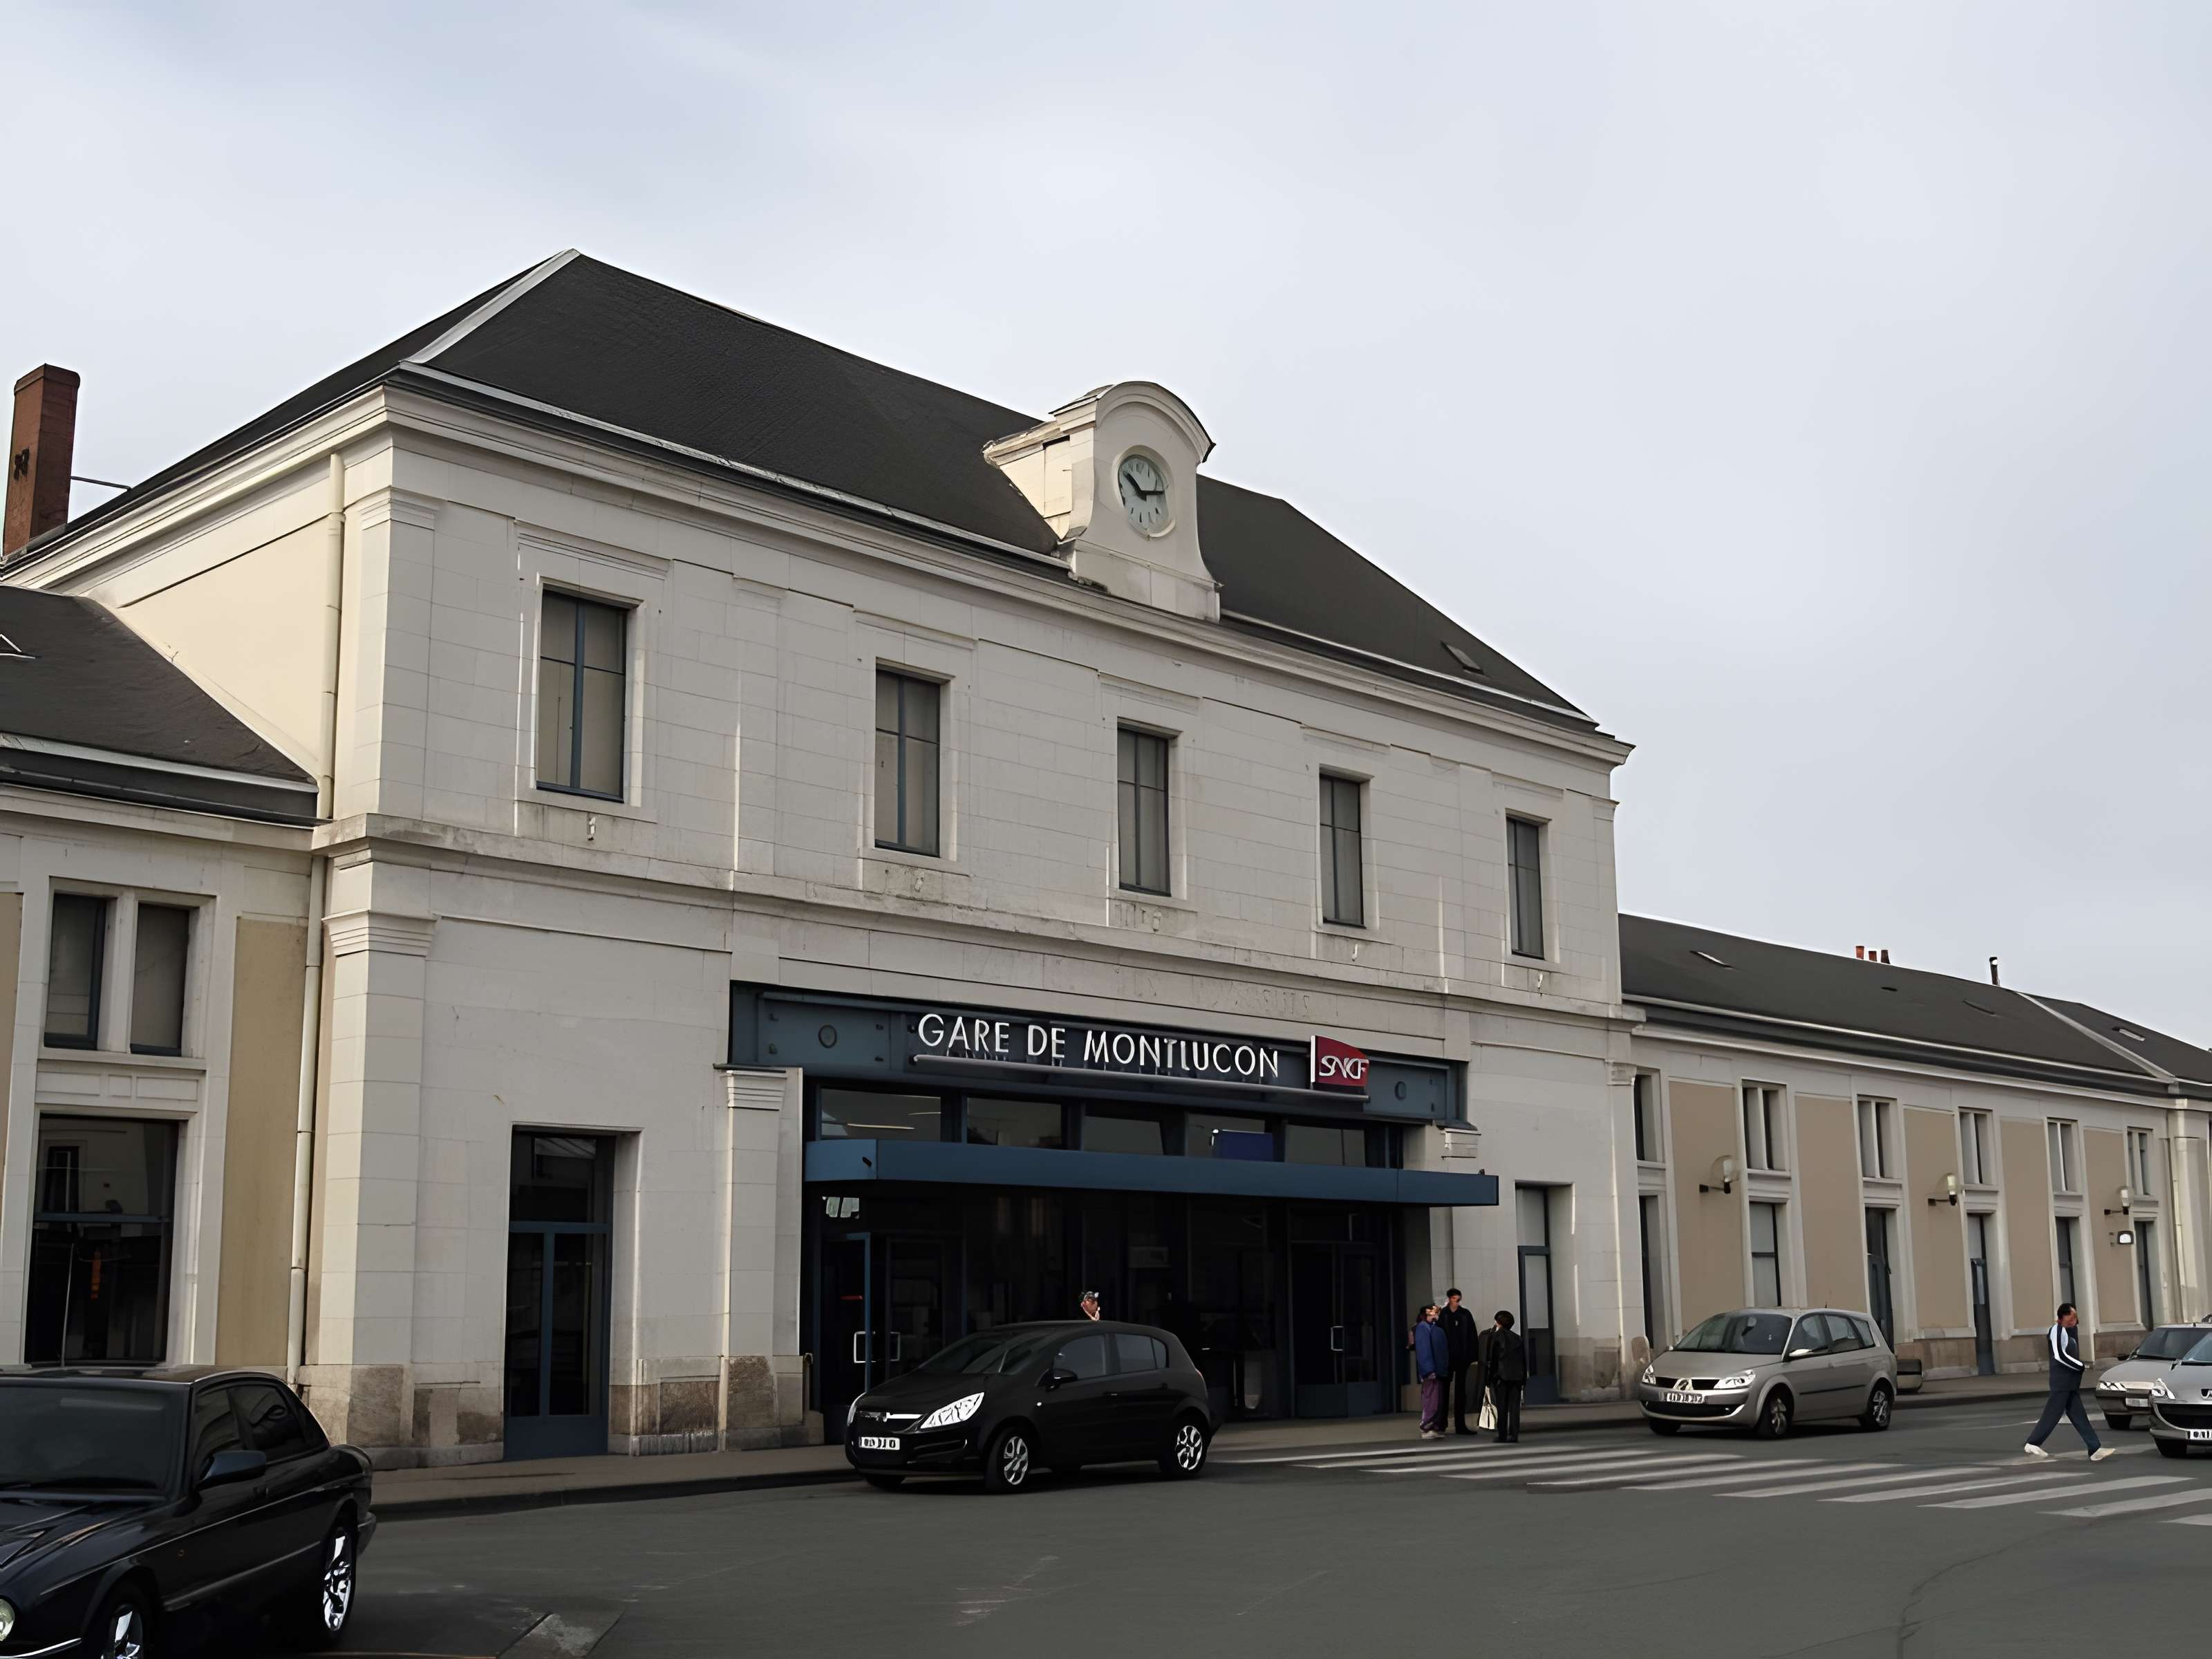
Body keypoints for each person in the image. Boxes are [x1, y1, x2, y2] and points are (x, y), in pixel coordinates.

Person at [2025, 1302, 2116, 1461]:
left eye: (2075, 1316)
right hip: (2062, 1381)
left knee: (2079, 1417)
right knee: (2052, 1414)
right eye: (2071, 1316)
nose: (2074, 1319)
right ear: (2061, 1317)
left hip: (2070, 1383)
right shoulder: (2056, 1331)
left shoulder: (2068, 1331)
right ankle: (2033, 1443)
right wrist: (2080, 1366)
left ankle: (2094, 1448)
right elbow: (2059, 1355)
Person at [1481, 1309, 1527, 1443]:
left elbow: (1493, 1360)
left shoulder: (1495, 1337)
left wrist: (1489, 1379)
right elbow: (1523, 1360)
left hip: (1502, 1377)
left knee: (1502, 1406)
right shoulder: (1518, 1338)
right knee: (1514, 1408)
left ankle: (1502, 1434)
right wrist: (1523, 1378)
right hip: (1517, 1377)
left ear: (1498, 1323)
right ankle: (1513, 1434)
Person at [1439, 1288, 1482, 1434]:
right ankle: (1442, 1423)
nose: (1456, 1302)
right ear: (1450, 1299)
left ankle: (1460, 1424)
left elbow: (1472, 1335)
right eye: (1454, 1299)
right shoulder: (1443, 1315)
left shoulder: (1464, 1314)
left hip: (1462, 1358)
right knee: (1444, 1391)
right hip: (1447, 1358)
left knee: (1460, 1392)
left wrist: (1472, 1356)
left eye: (1458, 1299)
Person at [1412, 1304, 1448, 1438]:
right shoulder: (1423, 1328)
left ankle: (1432, 1426)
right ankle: (1427, 1426)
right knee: (1431, 1399)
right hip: (1431, 1370)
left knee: (1435, 1399)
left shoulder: (1431, 1328)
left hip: (1435, 1369)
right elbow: (1424, 1351)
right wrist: (1428, 1370)